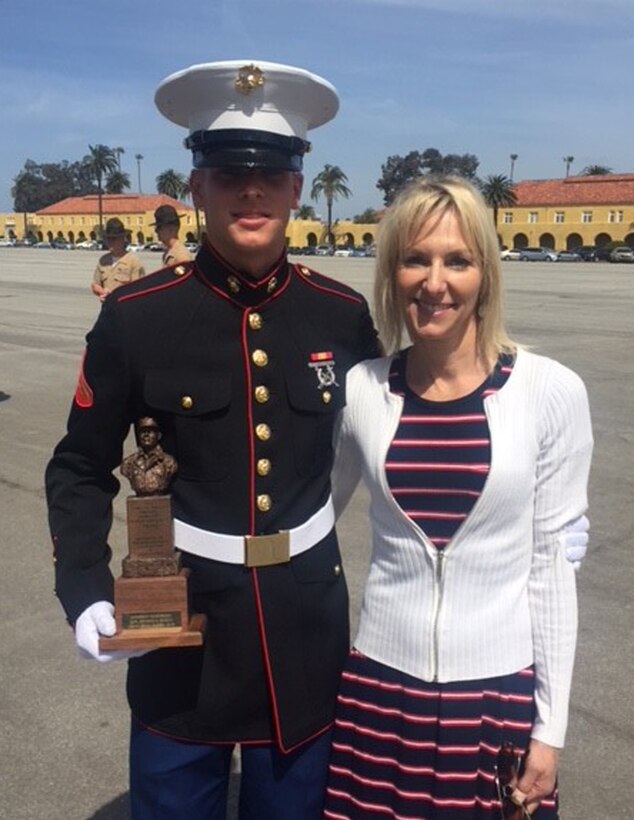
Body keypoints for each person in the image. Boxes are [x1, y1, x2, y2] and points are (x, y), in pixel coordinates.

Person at [45, 60, 379, 820]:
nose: (250, 191)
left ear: (298, 186)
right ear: (196, 187)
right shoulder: (140, 316)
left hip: (304, 627)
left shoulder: (340, 316)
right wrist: (86, 589)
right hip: (177, 630)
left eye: (270, 174)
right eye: (229, 173)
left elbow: (402, 425)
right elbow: (79, 465)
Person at [324, 176, 593, 820]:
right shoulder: (362, 389)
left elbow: (552, 572)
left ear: (487, 275)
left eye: (458, 260)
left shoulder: (549, 391)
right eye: (416, 259)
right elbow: (311, 519)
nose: (435, 282)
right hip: (381, 689)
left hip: (496, 696)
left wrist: (549, 730)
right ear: (392, 274)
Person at [91, 217, 145, 301]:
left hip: (125, 309)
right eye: (108, 238)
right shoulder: (103, 260)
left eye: (114, 239)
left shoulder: (133, 262)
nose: (110, 242)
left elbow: (138, 290)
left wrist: (114, 295)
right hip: (107, 308)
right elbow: (95, 285)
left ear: (122, 239)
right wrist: (103, 292)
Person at [120, 417, 177, 496]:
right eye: (143, 432)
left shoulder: (169, 461)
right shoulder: (128, 463)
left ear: (159, 435)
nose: (146, 435)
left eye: (150, 431)